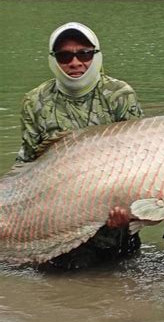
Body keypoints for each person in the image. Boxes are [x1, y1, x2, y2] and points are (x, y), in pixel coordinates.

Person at [17, 21, 145, 269]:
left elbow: (141, 161)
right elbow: (27, 164)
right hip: (59, 224)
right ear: (54, 59)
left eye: (84, 54)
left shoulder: (119, 94)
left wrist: (129, 211)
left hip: (114, 225)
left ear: (95, 55)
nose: (75, 63)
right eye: (65, 56)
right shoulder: (35, 101)